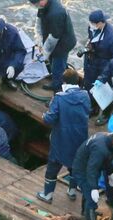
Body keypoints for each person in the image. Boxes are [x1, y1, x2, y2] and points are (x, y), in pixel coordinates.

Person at [36, 69, 90, 204]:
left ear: (64, 82)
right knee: (75, 164)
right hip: (80, 137)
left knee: (54, 165)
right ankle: (72, 191)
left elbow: (50, 119)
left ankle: (47, 195)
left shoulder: (60, 97)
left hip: (62, 137)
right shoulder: (85, 95)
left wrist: (44, 115)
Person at [30, 0, 76, 92]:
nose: (36, 6)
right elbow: (38, 20)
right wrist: (38, 37)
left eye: (36, 4)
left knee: (57, 66)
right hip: (52, 37)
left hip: (62, 44)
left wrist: (45, 53)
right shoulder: (43, 6)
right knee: (54, 62)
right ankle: (59, 72)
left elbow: (54, 37)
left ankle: (57, 87)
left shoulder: (56, 13)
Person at [81, 10, 113, 93]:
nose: (90, 25)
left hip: (103, 65)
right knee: (88, 84)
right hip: (90, 62)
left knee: (104, 88)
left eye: (93, 23)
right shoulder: (91, 28)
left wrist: (107, 74)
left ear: (100, 23)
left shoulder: (112, 37)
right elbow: (90, 38)